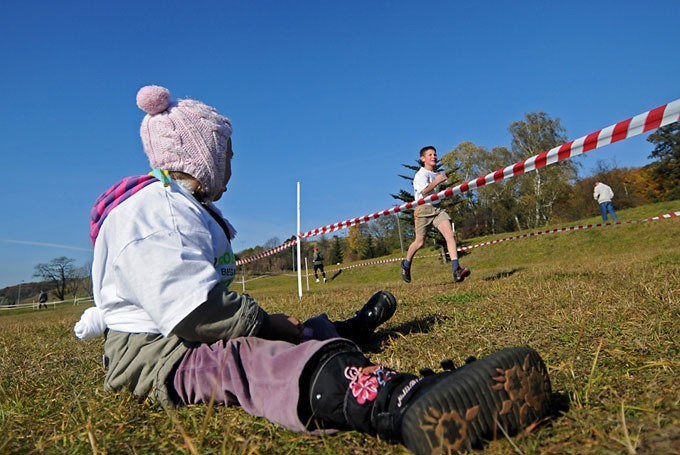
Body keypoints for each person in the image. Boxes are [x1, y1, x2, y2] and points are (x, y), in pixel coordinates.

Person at [75, 85, 552, 453]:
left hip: (185, 330)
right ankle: (398, 402)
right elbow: (195, 310)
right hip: (158, 354)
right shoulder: (155, 213)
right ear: (202, 156)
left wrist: (268, 324)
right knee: (250, 362)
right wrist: (262, 325)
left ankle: (341, 333)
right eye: (227, 155)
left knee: (283, 331)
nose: (233, 165)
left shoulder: (180, 208)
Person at [401, 146, 470, 284]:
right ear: (423, 159)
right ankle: (406, 263)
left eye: (435, 154)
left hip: (437, 209)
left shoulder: (436, 174)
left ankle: (456, 270)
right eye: (430, 154)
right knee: (419, 243)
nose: (434, 156)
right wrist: (437, 181)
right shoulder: (421, 175)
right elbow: (424, 191)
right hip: (423, 210)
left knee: (450, 236)